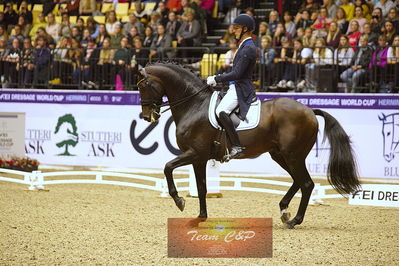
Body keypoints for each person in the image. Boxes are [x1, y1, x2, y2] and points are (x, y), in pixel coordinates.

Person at [206, 14, 257, 161]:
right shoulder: (244, 46)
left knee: (221, 111)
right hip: (234, 86)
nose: (233, 31)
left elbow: (238, 73)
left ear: (245, 29)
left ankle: (236, 146)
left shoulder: (248, 48)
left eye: (236, 28)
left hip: (241, 88)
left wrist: (217, 78)